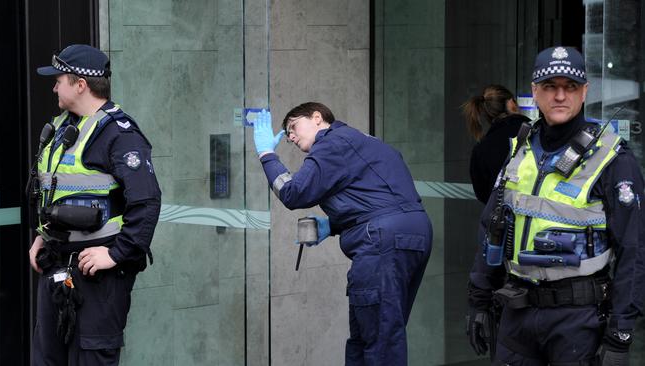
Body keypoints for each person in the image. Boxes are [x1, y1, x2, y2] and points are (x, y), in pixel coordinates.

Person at [466, 46, 645, 366]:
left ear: (584, 92)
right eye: (550, 86)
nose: (560, 95)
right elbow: (490, 227)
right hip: (517, 315)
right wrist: (479, 299)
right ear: (535, 92)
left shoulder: (612, 158)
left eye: (570, 87)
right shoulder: (520, 150)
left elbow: (635, 249)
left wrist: (620, 334)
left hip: (578, 322)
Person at [253, 102, 432, 365]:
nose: (290, 136)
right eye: (287, 134)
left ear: (317, 117)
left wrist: (267, 154)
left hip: (381, 240)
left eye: (293, 126)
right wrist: (334, 225)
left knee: (377, 341)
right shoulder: (362, 140)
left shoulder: (330, 144)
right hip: (409, 234)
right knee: (375, 334)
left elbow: (293, 193)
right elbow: (378, 193)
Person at [27, 44, 161, 365]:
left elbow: (147, 202)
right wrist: (42, 236)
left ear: (81, 84)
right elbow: (57, 192)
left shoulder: (119, 135)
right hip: (57, 266)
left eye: (59, 79)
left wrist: (115, 254)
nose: (54, 85)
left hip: (97, 280)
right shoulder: (62, 127)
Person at [462, 85, 531, 203]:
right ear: (510, 103)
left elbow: (483, 196)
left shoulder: (481, 149)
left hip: (501, 217)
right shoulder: (536, 132)